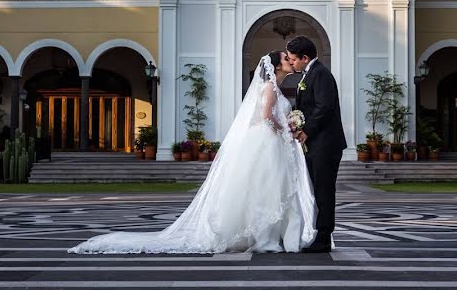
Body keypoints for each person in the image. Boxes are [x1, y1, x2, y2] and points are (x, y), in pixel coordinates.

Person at [69, 51, 316, 254]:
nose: (290, 61)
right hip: (268, 142)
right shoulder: (270, 88)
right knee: (267, 189)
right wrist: (288, 129)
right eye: (286, 59)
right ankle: (266, 238)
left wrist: (288, 127)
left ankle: (269, 236)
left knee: (267, 188)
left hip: (268, 142)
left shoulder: (272, 87)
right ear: (276, 66)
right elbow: (265, 118)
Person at [286, 35, 346, 253]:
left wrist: (306, 132)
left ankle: (324, 237)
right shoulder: (310, 73)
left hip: (325, 144)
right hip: (318, 144)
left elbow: (324, 107)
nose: (292, 63)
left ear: (305, 57)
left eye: (293, 59)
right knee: (318, 190)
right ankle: (319, 233)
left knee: (324, 191)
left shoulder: (319, 74)